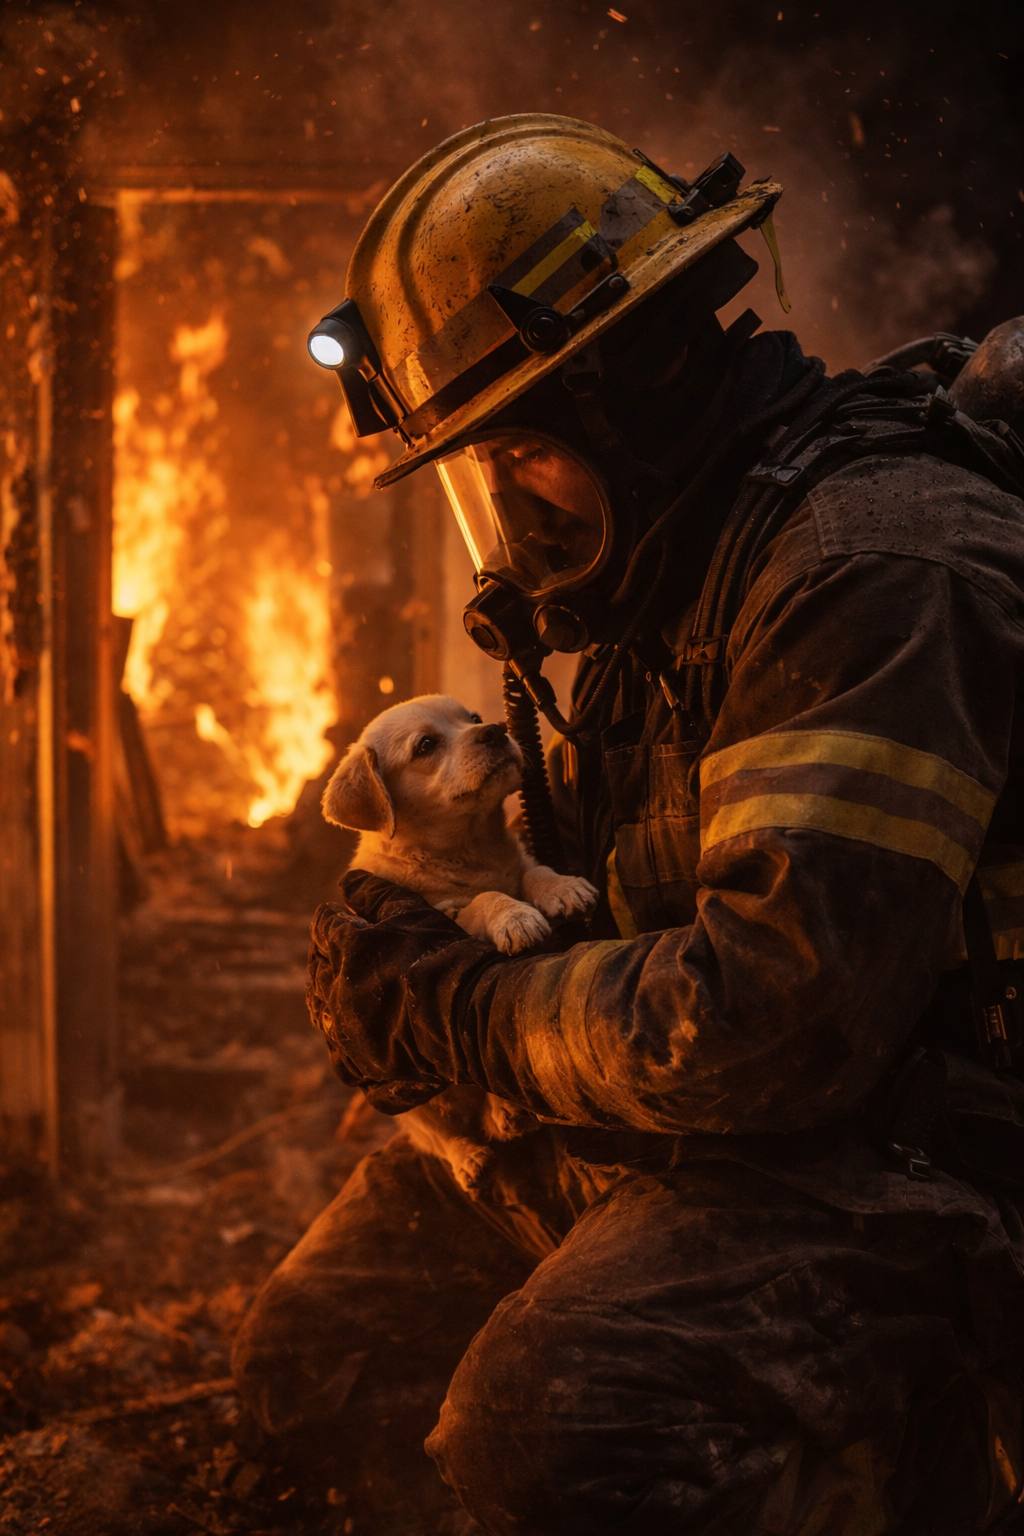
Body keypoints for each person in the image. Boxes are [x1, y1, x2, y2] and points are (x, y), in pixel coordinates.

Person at [233, 114, 1024, 1535]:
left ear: (642, 387)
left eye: (519, 455)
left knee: (562, 1419)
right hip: (737, 1142)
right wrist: (399, 934)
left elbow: (773, 1021)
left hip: (917, 1174)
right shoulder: (666, 590)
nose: (503, 518)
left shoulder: (870, 570)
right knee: (321, 1353)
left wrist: (466, 1016)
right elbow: (602, 906)